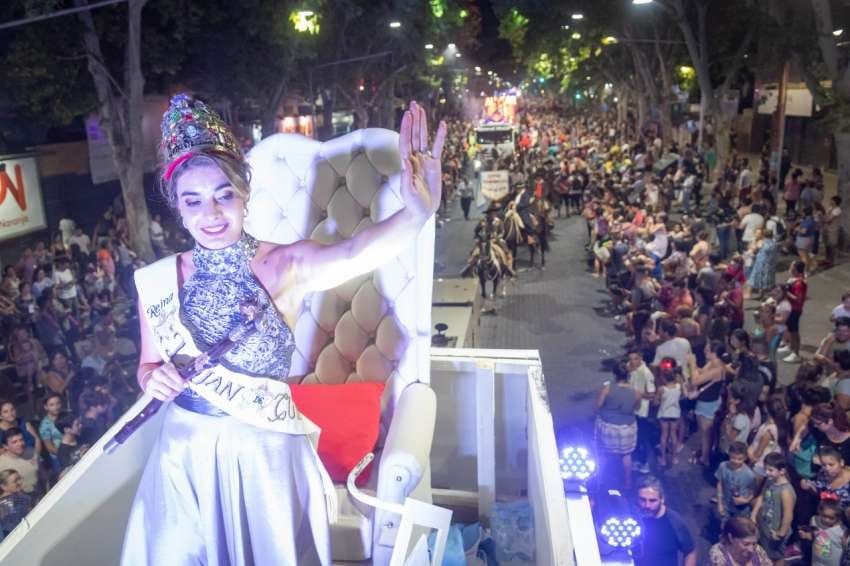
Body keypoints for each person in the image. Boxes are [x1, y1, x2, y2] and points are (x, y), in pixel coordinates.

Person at [120, 96, 446, 565]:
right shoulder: (157, 281)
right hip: (183, 455)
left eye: (222, 195)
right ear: (177, 207)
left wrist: (415, 214)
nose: (210, 214)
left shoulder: (284, 264)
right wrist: (152, 377)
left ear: (243, 194)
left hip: (264, 456)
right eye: (193, 201)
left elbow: (356, 251)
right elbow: (148, 365)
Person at [633, 475, 697, 566]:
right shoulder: (632, 518)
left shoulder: (674, 521)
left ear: (662, 499)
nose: (647, 505)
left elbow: (690, 552)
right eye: (642, 500)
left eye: (652, 501)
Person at [595, 362, 639, 489]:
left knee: (603, 453)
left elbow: (598, 405)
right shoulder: (635, 391)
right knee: (626, 455)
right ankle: (627, 481)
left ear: (615, 375)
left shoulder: (608, 389)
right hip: (627, 427)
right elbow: (637, 407)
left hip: (608, 426)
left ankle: (599, 479)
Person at [750, 453, 796, 564]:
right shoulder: (770, 481)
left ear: (782, 471)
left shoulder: (785, 491)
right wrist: (754, 514)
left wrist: (781, 533)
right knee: (765, 552)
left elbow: (788, 515)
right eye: (766, 469)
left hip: (776, 531)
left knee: (776, 557)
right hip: (765, 525)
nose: (766, 473)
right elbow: (762, 496)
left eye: (770, 470)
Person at [627, 349, 655, 474]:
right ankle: (636, 460)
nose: (632, 362)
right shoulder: (631, 369)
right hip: (633, 409)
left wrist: (638, 395)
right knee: (634, 437)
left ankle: (644, 462)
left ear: (640, 358)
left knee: (642, 437)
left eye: (635, 359)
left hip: (642, 411)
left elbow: (651, 394)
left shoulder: (646, 374)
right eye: (631, 359)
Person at [716, 441, 757, 522]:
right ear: (729, 454)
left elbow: (752, 492)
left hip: (741, 510)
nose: (736, 461)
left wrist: (745, 500)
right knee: (725, 526)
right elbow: (720, 484)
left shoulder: (749, 475)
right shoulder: (723, 466)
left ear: (745, 458)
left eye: (739, 459)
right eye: (733, 458)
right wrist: (720, 503)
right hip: (726, 505)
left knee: (739, 530)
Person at [798, 500, 846, 566]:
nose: (826, 520)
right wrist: (806, 535)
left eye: (831, 518)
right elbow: (816, 535)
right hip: (816, 562)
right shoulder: (815, 521)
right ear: (820, 512)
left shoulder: (841, 531)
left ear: (838, 517)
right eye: (824, 516)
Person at [780, 260, 807, 364]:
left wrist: (786, 292)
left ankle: (796, 353)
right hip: (790, 308)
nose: (790, 268)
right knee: (790, 329)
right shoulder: (793, 279)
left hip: (795, 310)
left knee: (794, 331)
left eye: (792, 266)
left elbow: (798, 299)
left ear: (796, 269)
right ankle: (790, 346)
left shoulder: (799, 283)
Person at [0, 429, 38, 494]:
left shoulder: (31, 451)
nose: (20, 444)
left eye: (21, 440)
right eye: (14, 442)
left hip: (43, 493)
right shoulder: (2, 464)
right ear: (5, 446)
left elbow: (42, 471)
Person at [0, 469, 32, 536]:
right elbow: (13, 528)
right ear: (3, 486)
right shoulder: (4, 505)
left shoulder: (20, 496)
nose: (19, 482)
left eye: (19, 479)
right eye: (15, 481)